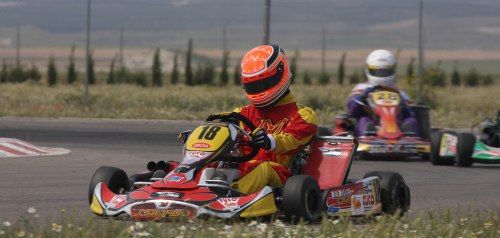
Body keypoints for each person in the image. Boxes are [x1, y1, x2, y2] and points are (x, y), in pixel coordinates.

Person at [229, 44, 318, 195]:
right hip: (241, 170)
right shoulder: (241, 113)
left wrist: (269, 141)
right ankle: (192, 189)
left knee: (264, 168)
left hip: (279, 177)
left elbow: (291, 141)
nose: (258, 90)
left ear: (280, 74)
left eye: (263, 84)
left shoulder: (303, 115)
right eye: (253, 86)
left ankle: (230, 196)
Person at [347, 49, 419, 136]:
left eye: (386, 72)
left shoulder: (400, 92)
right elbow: (352, 109)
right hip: (373, 123)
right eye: (377, 72)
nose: (382, 75)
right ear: (368, 70)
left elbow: (410, 113)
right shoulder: (361, 88)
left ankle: (409, 138)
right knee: (363, 120)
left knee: (412, 121)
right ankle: (368, 136)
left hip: (397, 127)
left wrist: (403, 105)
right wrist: (362, 97)